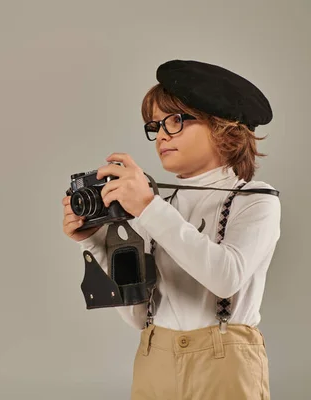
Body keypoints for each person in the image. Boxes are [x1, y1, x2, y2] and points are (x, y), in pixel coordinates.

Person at [62, 59, 281, 400]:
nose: (161, 134)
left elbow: (226, 276)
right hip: (155, 360)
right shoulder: (158, 208)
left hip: (224, 366)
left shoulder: (256, 200)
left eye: (175, 121)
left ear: (224, 127)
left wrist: (148, 207)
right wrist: (93, 241)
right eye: (155, 125)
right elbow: (137, 314)